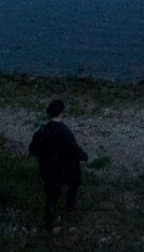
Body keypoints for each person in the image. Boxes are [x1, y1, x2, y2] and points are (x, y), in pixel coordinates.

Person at [29, 98, 89, 232]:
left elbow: (33, 150)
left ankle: (49, 219)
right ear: (61, 113)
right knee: (74, 181)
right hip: (64, 169)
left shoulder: (42, 131)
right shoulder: (64, 131)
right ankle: (70, 207)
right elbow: (73, 149)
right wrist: (83, 156)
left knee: (51, 195)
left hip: (47, 168)